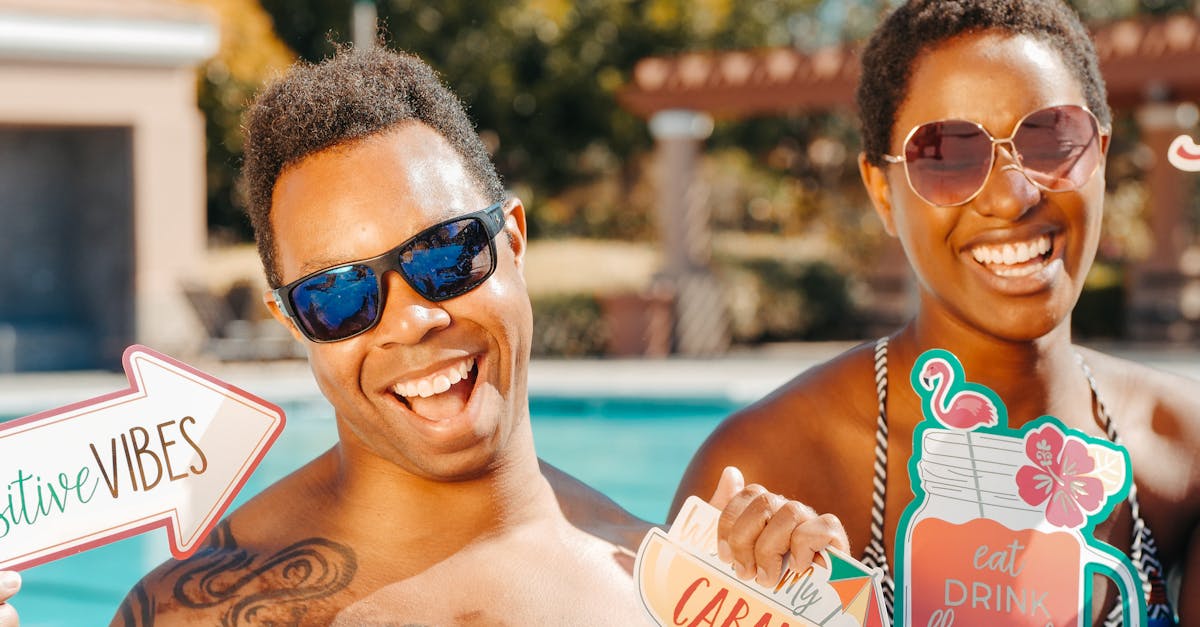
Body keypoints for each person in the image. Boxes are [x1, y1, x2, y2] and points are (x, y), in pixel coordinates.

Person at [1, 45, 841, 625]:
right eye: (339, 295)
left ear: (511, 239)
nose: (411, 317)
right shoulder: (200, 609)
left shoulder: (668, 591)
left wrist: (818, 606)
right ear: (292, 320)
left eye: (446, 254)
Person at [677, 0, 1199, 625]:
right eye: (947, 155)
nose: (1012, 196)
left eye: (1053, 140)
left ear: (1101, 156)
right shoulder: (769, 469)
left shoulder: (1182, 451)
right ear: (882, 193)